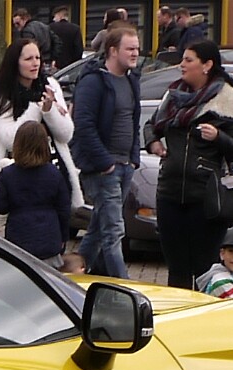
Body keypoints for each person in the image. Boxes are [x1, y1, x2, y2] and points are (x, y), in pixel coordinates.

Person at [144, 40, 233, 289]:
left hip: (206, 197)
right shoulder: (173, 95)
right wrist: (153, 143)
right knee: (176, 267)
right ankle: (179, 311)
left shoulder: (228, 98)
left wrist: (218, 137)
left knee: (205, 268)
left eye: (188, 60)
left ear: (207, 65)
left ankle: (205, 310)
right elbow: (151, 126)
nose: (182, 65)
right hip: (170, 192)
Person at [71, 25, 142, 278]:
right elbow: (84, 125)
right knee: (113, 231)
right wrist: (105, 163)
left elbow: (133, 122)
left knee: (98, 229)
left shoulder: (132, 80)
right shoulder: (93, 82)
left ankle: (76, 274)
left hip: (125, 166)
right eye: (129, 48)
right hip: (104, 169)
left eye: (137, 48)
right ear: (113, 51)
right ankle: (125, 286)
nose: (135, 53)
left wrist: (134, 159)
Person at [0, 40, 84, 214]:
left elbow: (66, 134)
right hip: (19, 176)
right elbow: (10, 140)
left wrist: (49, 111)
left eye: (37, 58)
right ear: (15, 62)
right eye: (28, 59)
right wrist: (37, 108)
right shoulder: (0, 94)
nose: (35, 63)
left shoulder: (49, 86)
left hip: (54, 170)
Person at [0, 120, 74, 266]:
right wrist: (63, 236)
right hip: (49, 238)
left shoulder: (8, 174)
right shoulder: (54, 173)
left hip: (19, 239)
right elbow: (64, 210)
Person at [49, 6, 81, 71]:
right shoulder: (75, 28)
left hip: (54, 66)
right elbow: (78, 49)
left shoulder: (51, 27)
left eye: (55, 16)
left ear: (60, 16)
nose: (54, 19)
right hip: (70, 67)